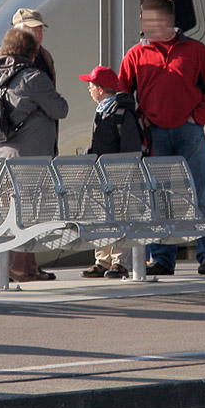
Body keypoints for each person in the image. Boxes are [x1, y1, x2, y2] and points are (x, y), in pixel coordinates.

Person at [119, 0, 205, 276]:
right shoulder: (135, 55)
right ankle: (163, 259)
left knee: (201, 194)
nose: (142, 24)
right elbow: (122, 94)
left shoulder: (196, 50)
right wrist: (137, 124)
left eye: (147, 19)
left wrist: (197, 119)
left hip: (189, 133)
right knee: (158, 197)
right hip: (154, 134)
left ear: (166, 21)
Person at [0, 8, 58, 281]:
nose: (37, 32)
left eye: (40, 27)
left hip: (37, 147)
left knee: (31, 207)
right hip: (4, 147)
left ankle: (27, 267)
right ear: (16, 29)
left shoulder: (45, 57)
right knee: (3, 207)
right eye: (31, 28)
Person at [0, 27, 69, 281]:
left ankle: (26, 268)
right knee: (25, 214)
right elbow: (60, 109)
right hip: (31, 160)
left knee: (10, 211)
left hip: (5, 156)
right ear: (31, 53)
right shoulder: (33, 77)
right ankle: (16, 270)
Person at [78, 65, 143, 280]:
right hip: (101, 175)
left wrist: (121, 172)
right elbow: (95, 145)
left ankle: (119, 262)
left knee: (119, 217)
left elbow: (131, 148)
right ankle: (103, 260)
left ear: (100, 89)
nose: (88, 89)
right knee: (101, 217)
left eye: (91, 85)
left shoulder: (121, 113)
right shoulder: (103, 111)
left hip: (117, 176)